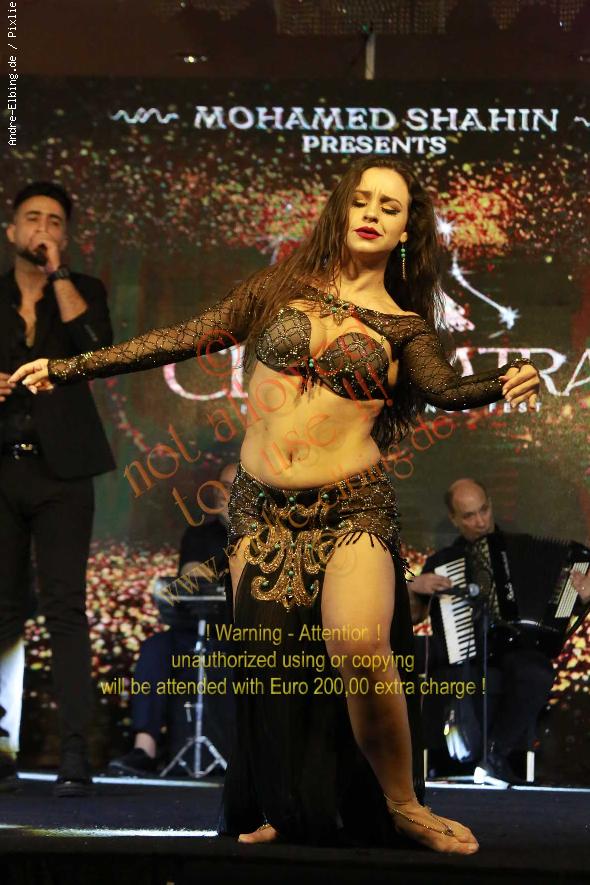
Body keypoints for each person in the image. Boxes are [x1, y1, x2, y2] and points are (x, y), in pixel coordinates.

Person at [10, 158, 541, 853]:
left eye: (390, 206)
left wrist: (507, 378)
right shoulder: (276, 288)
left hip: (352, 506)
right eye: (362, 199)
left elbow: (446, 389)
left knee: (360, 647)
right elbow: (178, 339)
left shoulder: (404, 325)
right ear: (341, 208)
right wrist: (67, 367)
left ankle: (403, 804)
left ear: (407, 231)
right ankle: (283, 808)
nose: (372, 213)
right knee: (271, 673)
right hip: (261, 510)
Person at [0, 181, 115, 796]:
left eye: (53, 221)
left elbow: (98, 350)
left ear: (64, 236)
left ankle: (75, 754)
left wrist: (58, 273)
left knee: (65, 609)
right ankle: (2, 752)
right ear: (11, 231)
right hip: (3, 465)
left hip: (63, 471)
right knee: (3, 611)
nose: (41, 228)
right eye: (31, 218)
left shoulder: (82, 288)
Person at [410, 478, 590, 785]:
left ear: (491, 505)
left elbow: (560, 606)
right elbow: (414, 617)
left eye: (484, 510)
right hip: (466, 649)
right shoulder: (443, 562)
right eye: (469, 516)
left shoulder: (521, 546)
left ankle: (494, 756)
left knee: (537, 671)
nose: (481, 521)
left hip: (513, 648)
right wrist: (415, 586)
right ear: (454, 518)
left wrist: (582, 594)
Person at [108, 462, 237, 777]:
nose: (228, 493)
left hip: (242, 635)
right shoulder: (200, 535)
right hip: (196, 631)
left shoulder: (268, 539)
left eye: (236, 487)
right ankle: (145, 749)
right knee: (156, 648)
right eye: (223, 487)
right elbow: (191, 579)